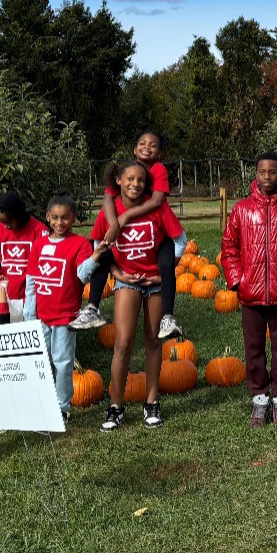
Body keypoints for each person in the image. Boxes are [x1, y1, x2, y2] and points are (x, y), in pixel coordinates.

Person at [90, 160, 187, 431]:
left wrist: (165, 274)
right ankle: (116, 406)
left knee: (154, 341)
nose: (135, 184)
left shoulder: (158, 208)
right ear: (118, 181)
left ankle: (151, 402)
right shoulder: (110, 212)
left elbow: (180, 240)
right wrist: (117, 274)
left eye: (141, 180)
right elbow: (99, 245)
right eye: (130, 179)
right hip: (128, 280)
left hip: (154, 281)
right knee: (122, 343)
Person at [220, 153, 277, 429]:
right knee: (254, 349)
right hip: (251, 293)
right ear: (256, 175)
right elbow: (229, 247)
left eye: (272, 172)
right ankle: (260, 400)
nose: (267, 177)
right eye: (262, 172)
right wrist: (238, 280)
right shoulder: (242, 209)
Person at [76, 131, 184, 338]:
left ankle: (168, 317)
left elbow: (156, 201)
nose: (146, 147)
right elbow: (108, 198)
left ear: (160, 153)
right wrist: (114, 223)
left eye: (153, 145)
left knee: (166, 263)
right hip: (126, 232)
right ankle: (92, 308)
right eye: (142, 143)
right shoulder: (125, 169)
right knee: (103, 251)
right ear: (134, 150)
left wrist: (124, 218)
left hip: (158, 228)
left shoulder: (158, 169)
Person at [23, 194, 100, 420]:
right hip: (42, 316)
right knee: (42, 360)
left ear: (73, 217)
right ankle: (43, 402)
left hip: (65, 316)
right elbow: (31, 279)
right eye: (55, 218)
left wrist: (95, 256)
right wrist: (30, 312)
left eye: (65, 218)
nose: (60, 223)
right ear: (47, 217)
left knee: (63, 362)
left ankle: (61, 407)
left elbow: (83, 275)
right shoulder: (39, 244)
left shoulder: (79, 244)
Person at [0, 192, 47, 303]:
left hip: (31, 295)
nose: (6, 226)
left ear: (19, 216)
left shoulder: (39, 231)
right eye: (2, 222)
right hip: (6, 294)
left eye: (10, 222)